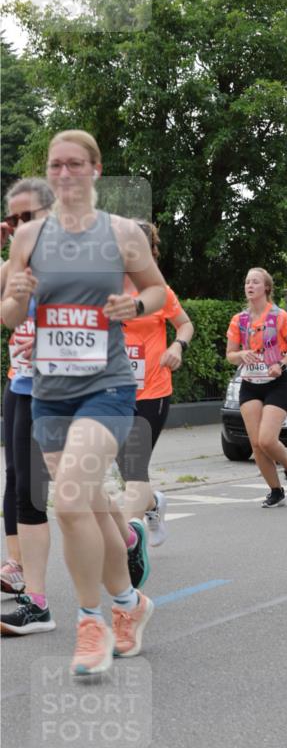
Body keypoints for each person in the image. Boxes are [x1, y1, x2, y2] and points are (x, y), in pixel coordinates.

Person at [1, 129, 167, 674]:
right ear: (48, 175)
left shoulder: (122, 234)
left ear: (96, 170)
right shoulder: (28, 239)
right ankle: (130, 604)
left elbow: (157, 293)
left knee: (68, 501)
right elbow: (8, 316)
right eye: (56, 165)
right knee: (91, 505)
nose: (66, 174)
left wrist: (132, 302)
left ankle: (91, 623)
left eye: (76, 164)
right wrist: (17, 299)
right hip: (50, 393)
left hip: (108, 387)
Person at [0, 178, 55, 634]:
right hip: (23, 385)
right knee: (21, 483)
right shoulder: (15, 266)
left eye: (28, 217)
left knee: (84, 498)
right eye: (13, 219)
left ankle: (128, 537)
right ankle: (34, 596)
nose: (19, 226)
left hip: (67, 393)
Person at [116, 221, 193, 545]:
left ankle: (127, 540)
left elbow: (185, 324)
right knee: (128, 470)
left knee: (134, 466)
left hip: (153, 390)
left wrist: (177, 345)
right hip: (113, 392)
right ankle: (152, 504)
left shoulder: (160, 292)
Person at [226, 268, 287, 507]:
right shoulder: (240, 320)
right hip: (250, 384)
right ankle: (275, 490)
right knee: (256, 443)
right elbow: (230, 355)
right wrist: (241, 354)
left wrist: (281, 363)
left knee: (267, 439)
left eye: (255, 282)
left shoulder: (279, 317)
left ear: (266, 288)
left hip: (276, 383)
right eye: (247, 281)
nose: (250, 285)